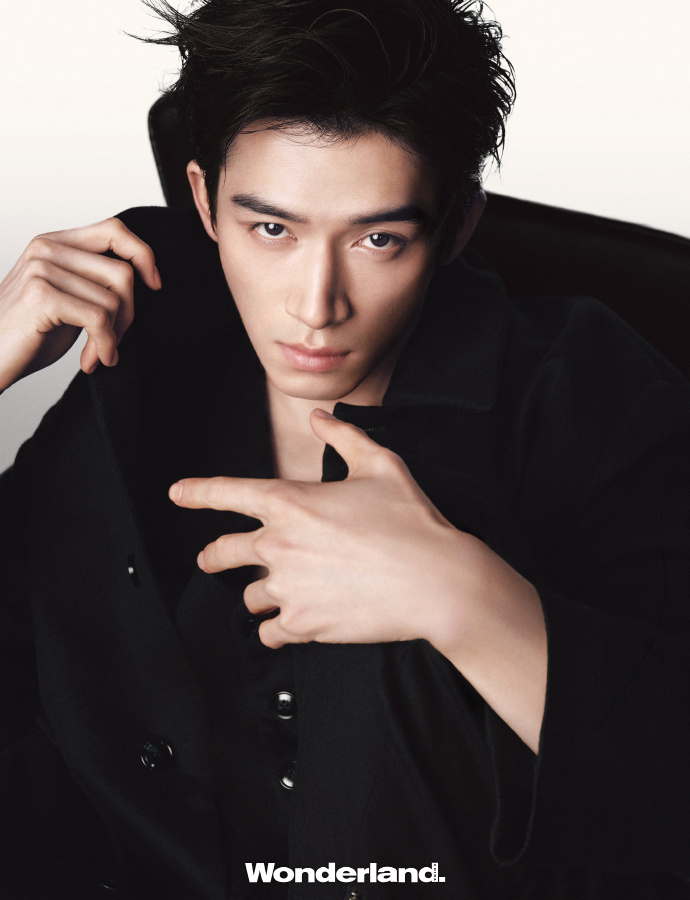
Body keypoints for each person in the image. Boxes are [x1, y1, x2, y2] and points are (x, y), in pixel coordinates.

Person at [0, 0, 689, 897]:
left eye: (377, 239)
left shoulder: (587, 394)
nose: (316, 305)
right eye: (272, 229)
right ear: (204, 200)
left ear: (457, 225)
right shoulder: (143, 353)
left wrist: (465, 597)